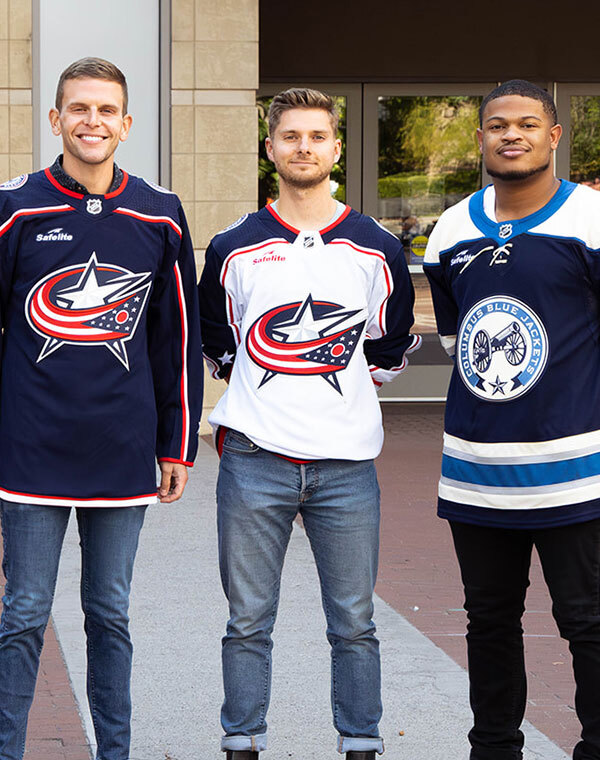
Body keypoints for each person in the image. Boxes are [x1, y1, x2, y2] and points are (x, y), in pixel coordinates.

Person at [198, 88, 419, 760]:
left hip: (346, 467)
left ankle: (361, 742)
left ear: (335, 148)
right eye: (290, 136)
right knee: (246, 621)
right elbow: (220, 345)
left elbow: (388, 345)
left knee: (353, 622)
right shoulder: (234, 246)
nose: (303, 148)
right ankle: (242, 742)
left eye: (316, 137)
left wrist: (338, 397)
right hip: (254, 461)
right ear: (270, 149)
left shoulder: (375, 247)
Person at [0, 57, 202, 760]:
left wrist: (177, 444)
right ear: (55, 120)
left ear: (127, 124)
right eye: (78, 109)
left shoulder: (159, 211)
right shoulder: (15, 207)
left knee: (108, 615)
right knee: (23, 615)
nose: (93, 122)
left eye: (106, 110)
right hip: (30, 450)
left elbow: (176, 336)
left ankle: (114, 752)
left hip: (122, 453)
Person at [424, 79, 600, 760]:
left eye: (529, 123)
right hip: (477, 475)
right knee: (488, 622)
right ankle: (493, 749)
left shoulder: (589, 219)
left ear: (554, 136)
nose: (512, 134)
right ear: (480, 140)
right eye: (498, 125)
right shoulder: (451, 230)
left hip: (575, 474)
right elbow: (456, 339)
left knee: (587, 623)